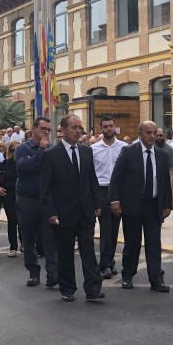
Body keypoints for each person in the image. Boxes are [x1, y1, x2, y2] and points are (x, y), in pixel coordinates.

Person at [40, 115, 104, 303]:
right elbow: (46, 188)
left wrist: (97, 204)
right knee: (66, 252)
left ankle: (93, 288)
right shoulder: (51, 155)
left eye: (80, 128)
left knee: (88, 251)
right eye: (74, 127)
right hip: (63, 212)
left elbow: (92, 179)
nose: (78, 131)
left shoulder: (86, 151)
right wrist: (50, 213)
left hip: (85, 211)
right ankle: (67, 288)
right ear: (64, 130)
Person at [109, 121, 172, 292]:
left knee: (154, 244)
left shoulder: (161, 155)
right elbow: (116, 178)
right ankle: (128, 275)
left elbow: (165, 181)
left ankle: (156, 279)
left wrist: (167, 204)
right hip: (132, 206)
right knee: (132, 244)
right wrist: (114, 200)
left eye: (154, 132)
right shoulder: (128, 152)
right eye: (148, 133)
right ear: (140, 134)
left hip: (153, 206)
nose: (152, 136)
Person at [15, 117, 58, 287]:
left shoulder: (53, 149)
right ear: (33, 129)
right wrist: (40, 151)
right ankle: (33, 272)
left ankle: (52, 273)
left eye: (48, 129)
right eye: (43, 129)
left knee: (50, 238)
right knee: (28, 237)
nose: (46, 132)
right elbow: (25, 168)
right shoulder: (22, 149)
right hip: (27, 199)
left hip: (47, 200)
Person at [91, 116, 128, 279]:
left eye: (111, 126)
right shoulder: (93, 149)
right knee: (105, 229)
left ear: (115, 127)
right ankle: (105, 265)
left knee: (114, 229)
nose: (108, 129)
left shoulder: (124, 147)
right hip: (102, 190)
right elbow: (90, 175)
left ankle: (109, 261)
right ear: (101, 129)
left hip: (119, 191)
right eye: (105, 127)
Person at [0, 139, 19, 258]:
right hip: (8, 194)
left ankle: (25, 242)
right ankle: (13, 246)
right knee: (12, 220)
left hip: (22, 195)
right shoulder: (5, 163)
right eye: (13, 150)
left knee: (24, 221)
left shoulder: (26, 162)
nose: (16, 152)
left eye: (18, 149)